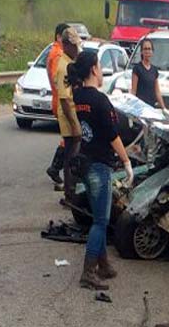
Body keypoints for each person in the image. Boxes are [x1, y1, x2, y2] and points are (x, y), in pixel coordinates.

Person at [69, 51, 134, 290]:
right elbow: (112, 136)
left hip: (86, 162)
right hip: (99, 165)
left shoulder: (79, 97)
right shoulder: (100, 101)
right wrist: (127, 163)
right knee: (100, 220)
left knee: (100, 215)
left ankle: (103, 265)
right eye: (99, 65)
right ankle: (88, 272)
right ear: (94, 70)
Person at [53, 27, 83, 202]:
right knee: (71, 155)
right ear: (65, 45)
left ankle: (70, 191)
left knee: (70, 154)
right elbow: (64, 99)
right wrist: (75, 125)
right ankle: (70, 193)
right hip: (69, 115)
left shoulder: (69, 62)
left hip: (71, 113)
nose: (76, 49)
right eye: (73, 46)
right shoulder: (64, 66)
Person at [46, 23, 70, 190]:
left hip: (59, 99)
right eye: (66, 36)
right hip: (61, 100)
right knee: (68, 137)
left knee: (67, 137)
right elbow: (57, 78)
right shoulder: (57, 54)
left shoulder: (57, 53)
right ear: (59, 37)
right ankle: (55, 168)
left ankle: (57, 168)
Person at [131, 38, 169, 117]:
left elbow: (157, 91)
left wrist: (164, 108)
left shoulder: (154, 70)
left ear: (152, 51)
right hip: (140, 109)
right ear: (141, 52)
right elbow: (133, 91)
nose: (147, 51)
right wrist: (131, 108)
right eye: (145, 49)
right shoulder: (137, 69)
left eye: (149, 49)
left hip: (151, 108)